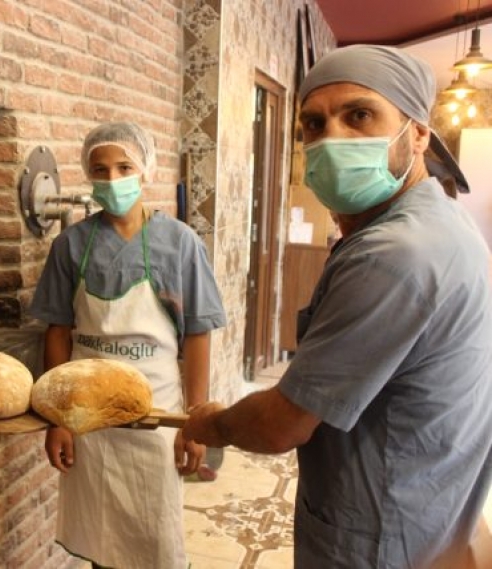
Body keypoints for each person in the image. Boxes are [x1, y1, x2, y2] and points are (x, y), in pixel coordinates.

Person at [183, 45, 492, 569]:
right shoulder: (440, 220)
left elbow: (281, 425)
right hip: (423, 513)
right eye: (314, 123)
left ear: (418, 133)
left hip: (378, 537)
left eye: (360, 115)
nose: (333, 138)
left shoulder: (393, 257)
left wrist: (212, 422)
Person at [29, 121, 226, 568]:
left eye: (124, 166)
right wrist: (57, 420)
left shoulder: (180, 244)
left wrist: (192, 421)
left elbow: (197, 333)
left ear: (146, 170)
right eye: (101, 170)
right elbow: (58, 331)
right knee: (102, 540)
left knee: (155, 538)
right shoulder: (70, 246)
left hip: (156, 417)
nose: (113, 179)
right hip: (89, 423)